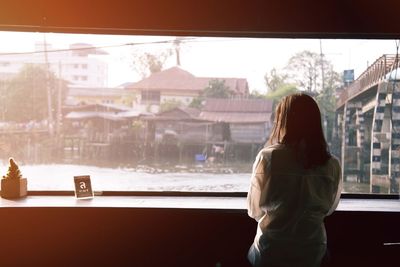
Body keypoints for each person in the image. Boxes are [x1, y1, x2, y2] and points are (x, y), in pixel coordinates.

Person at [247, 93, 342, 267]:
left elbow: (254, 211)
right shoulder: (332, 164)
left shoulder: (268, 158)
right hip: (311, 252)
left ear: (283, 122)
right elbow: (329, 209)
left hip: (270, 251)